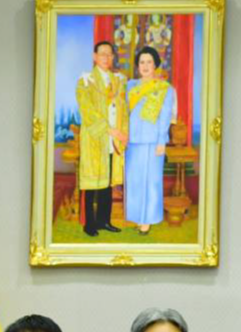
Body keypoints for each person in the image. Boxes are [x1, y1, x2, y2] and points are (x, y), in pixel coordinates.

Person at [74, 40, 127, 237]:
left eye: (109, 54)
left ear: (113, 57)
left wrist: (122, 133)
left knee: (107, 183)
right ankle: (90, 224)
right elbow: (87, 110)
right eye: (102, 54)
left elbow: (124, 109)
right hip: (96, 138)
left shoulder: (119, 81)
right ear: (94, 57)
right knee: (91, 184)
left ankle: (105, 220)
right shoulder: (86, 80)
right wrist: (109, 130)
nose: (106, 58)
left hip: (113, 141)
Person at [124, 46, 177, 235]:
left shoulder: (165, 89)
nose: (145, 66)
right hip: (132, 141)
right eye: (141, 62)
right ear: (138, 66)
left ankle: (148, 219)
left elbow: (164, 118)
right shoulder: (130, 86)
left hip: (153, 141)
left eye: (149, 62)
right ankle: (137, 216)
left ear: (155, 64)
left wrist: (162, 141)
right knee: (134, 179)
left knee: (151, 180)